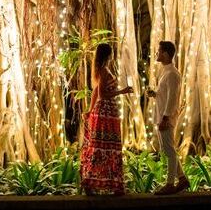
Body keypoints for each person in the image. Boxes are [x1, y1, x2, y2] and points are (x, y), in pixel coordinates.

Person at [80, 43, 133, 195]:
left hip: (107, 113)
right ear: (109, 55)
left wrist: (90, 110)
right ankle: (92, 183)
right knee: (104, 147)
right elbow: (102, 94)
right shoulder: (103, 71)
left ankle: (110, 184)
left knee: (107, 147)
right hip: (105, 113)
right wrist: (122, 91)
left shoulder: (103, 70)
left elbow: (95, 92)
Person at [146, 40, 187, 195]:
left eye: (159, 51)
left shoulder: (172, 74)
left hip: (166, 118)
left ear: (166, 54)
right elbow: (166, 95)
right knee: (167, 149)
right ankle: (182, 179)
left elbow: (172, 98)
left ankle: (170, 184)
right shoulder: (166, 73)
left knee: (169, 150)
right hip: (162, 115)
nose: (157, 53)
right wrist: (155, 94)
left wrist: (165, 118)